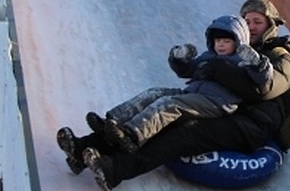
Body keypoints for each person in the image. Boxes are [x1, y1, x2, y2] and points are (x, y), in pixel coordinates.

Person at [57, 0, 290, 191]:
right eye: (247, 20)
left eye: (257, 21)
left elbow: (266, 89)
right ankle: (83, 148)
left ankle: (115, 171)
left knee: (181, 133)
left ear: (271, 25)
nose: (251, 26)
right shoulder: (237, 48)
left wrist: (218, 69)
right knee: (159, 107)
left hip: (252, 124)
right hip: (229, 108)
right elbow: (199, 68)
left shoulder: (281, 55)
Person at [92, 14, 273, 154]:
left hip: (216, 103)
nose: (221, 45)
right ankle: (112, 120)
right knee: (155, 93)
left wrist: (258, 63)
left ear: (238, 41)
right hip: (193, 94)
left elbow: (262, 77)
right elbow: (188, 71)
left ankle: (132, 136)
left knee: (170, 104)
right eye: (218, 41)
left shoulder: (241, 60)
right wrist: (180, 59)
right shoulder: (209, 56)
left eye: (226, 41)